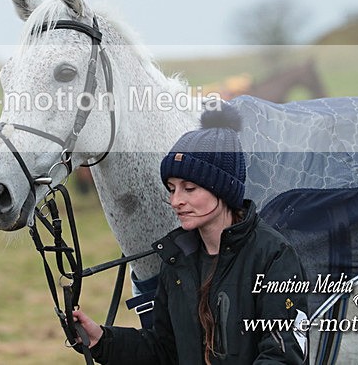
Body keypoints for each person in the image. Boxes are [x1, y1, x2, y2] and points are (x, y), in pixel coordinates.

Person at [72, 107, 309, 364]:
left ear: (222, 188)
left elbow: (283, 355)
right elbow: (163, 350)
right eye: (172, 189)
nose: (176, 201)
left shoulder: (272, 255)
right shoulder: (176, 259)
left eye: (189, 188)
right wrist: (101, 340)